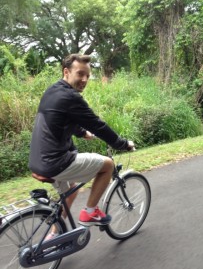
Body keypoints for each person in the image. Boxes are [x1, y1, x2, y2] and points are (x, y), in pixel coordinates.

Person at [29, 54, 134, 239]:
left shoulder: (53, 90)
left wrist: (82, 133)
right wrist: (122, 144)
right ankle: (90, 212)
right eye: (80, 74)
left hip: (38, 161)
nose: (84, 79)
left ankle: (53, 235)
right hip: (54, 162)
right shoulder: (71, 97)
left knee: (71, 189)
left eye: (87, 75)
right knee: (107, 165)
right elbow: (98, 125)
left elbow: (61, 118)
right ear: (66, 72)